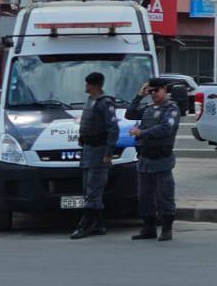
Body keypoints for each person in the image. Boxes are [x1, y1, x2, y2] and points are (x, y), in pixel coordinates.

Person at [126, 77, 181, 241]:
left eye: (156, 90)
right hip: (145, 159)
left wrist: (141, 133)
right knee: (144, 196)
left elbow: (165, 128)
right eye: (151, 91)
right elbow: (129, 114)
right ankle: (148, 228)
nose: (153, 94)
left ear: (165, 90)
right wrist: (139, 96)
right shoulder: (149, 108)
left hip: (161, 159)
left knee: (164, 195)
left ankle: (166, 228)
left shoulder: (171, 108)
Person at [70, 71, 119, 240]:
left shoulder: (105, 103)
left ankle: (86, 225)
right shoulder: (91, 101)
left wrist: (108, 154)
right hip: (88, 150)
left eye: (88, 84)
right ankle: (99, 224)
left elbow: (113, 129)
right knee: (88, 188)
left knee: (93, 189)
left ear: (94, 85)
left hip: (99, 151)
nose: (86, 86)